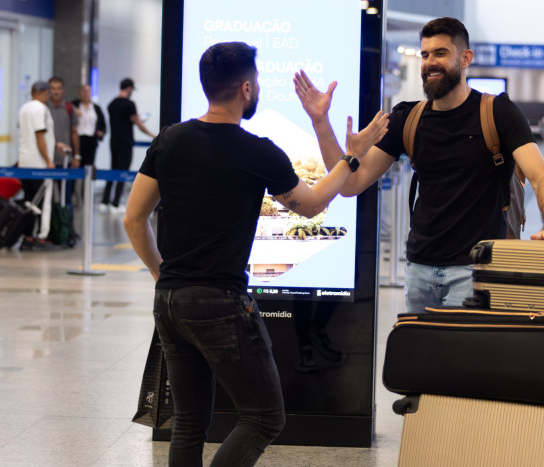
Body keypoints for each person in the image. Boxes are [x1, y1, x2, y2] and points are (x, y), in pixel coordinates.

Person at [123, 41, 388, 466]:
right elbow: (315, 202)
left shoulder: (169, 140)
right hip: (222, 303)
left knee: (189, 422)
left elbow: (134, 219)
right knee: (265, 417)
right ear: (246, 88)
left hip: (170, 302)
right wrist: (352, 157)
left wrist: (163, 278)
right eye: (259, 81)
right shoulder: (256, 151)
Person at [294, 17, 544, 312]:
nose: (430, 62)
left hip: (475, 270)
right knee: (422, 357)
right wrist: (321, 123)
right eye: (425, 54)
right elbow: (351, 183)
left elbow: (542, 176)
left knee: (463, 358)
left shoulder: (498, 113)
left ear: (465, 58)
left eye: (440, 53)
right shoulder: (407, 118)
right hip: (418, 270)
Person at [17, 81, 70, 249]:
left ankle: (28, 237)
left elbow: (33, 137)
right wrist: (49, 160)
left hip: (24, 161)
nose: (49, 96)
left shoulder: (24, 108)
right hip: (39, 164)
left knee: (29, 201)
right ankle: (41, 237)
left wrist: (55, 144)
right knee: (43, 202)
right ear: (42, 92)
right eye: (48, 93)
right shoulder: (41, 109)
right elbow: (40, 136)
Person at [100, 78, 156, 213]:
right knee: (123, 172)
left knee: (113, 170)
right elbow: (138, 123)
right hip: (125, 142)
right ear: (129, 88)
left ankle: (105, 201)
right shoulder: (129, 104)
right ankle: (116, 203)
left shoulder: (112, 104)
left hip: (113, 141)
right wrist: (153, 135)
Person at [71, 84, 106, 167]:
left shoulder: (96, 108)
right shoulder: (74, 105)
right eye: (84, 91)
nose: (86, 93)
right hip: (78, 139)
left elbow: (103, 124)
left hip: (91, 140)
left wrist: (101, 132)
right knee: (77, 163)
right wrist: (74, 109)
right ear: (79, 93)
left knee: (89, 165)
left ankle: (87, 180)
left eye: (88, 91)